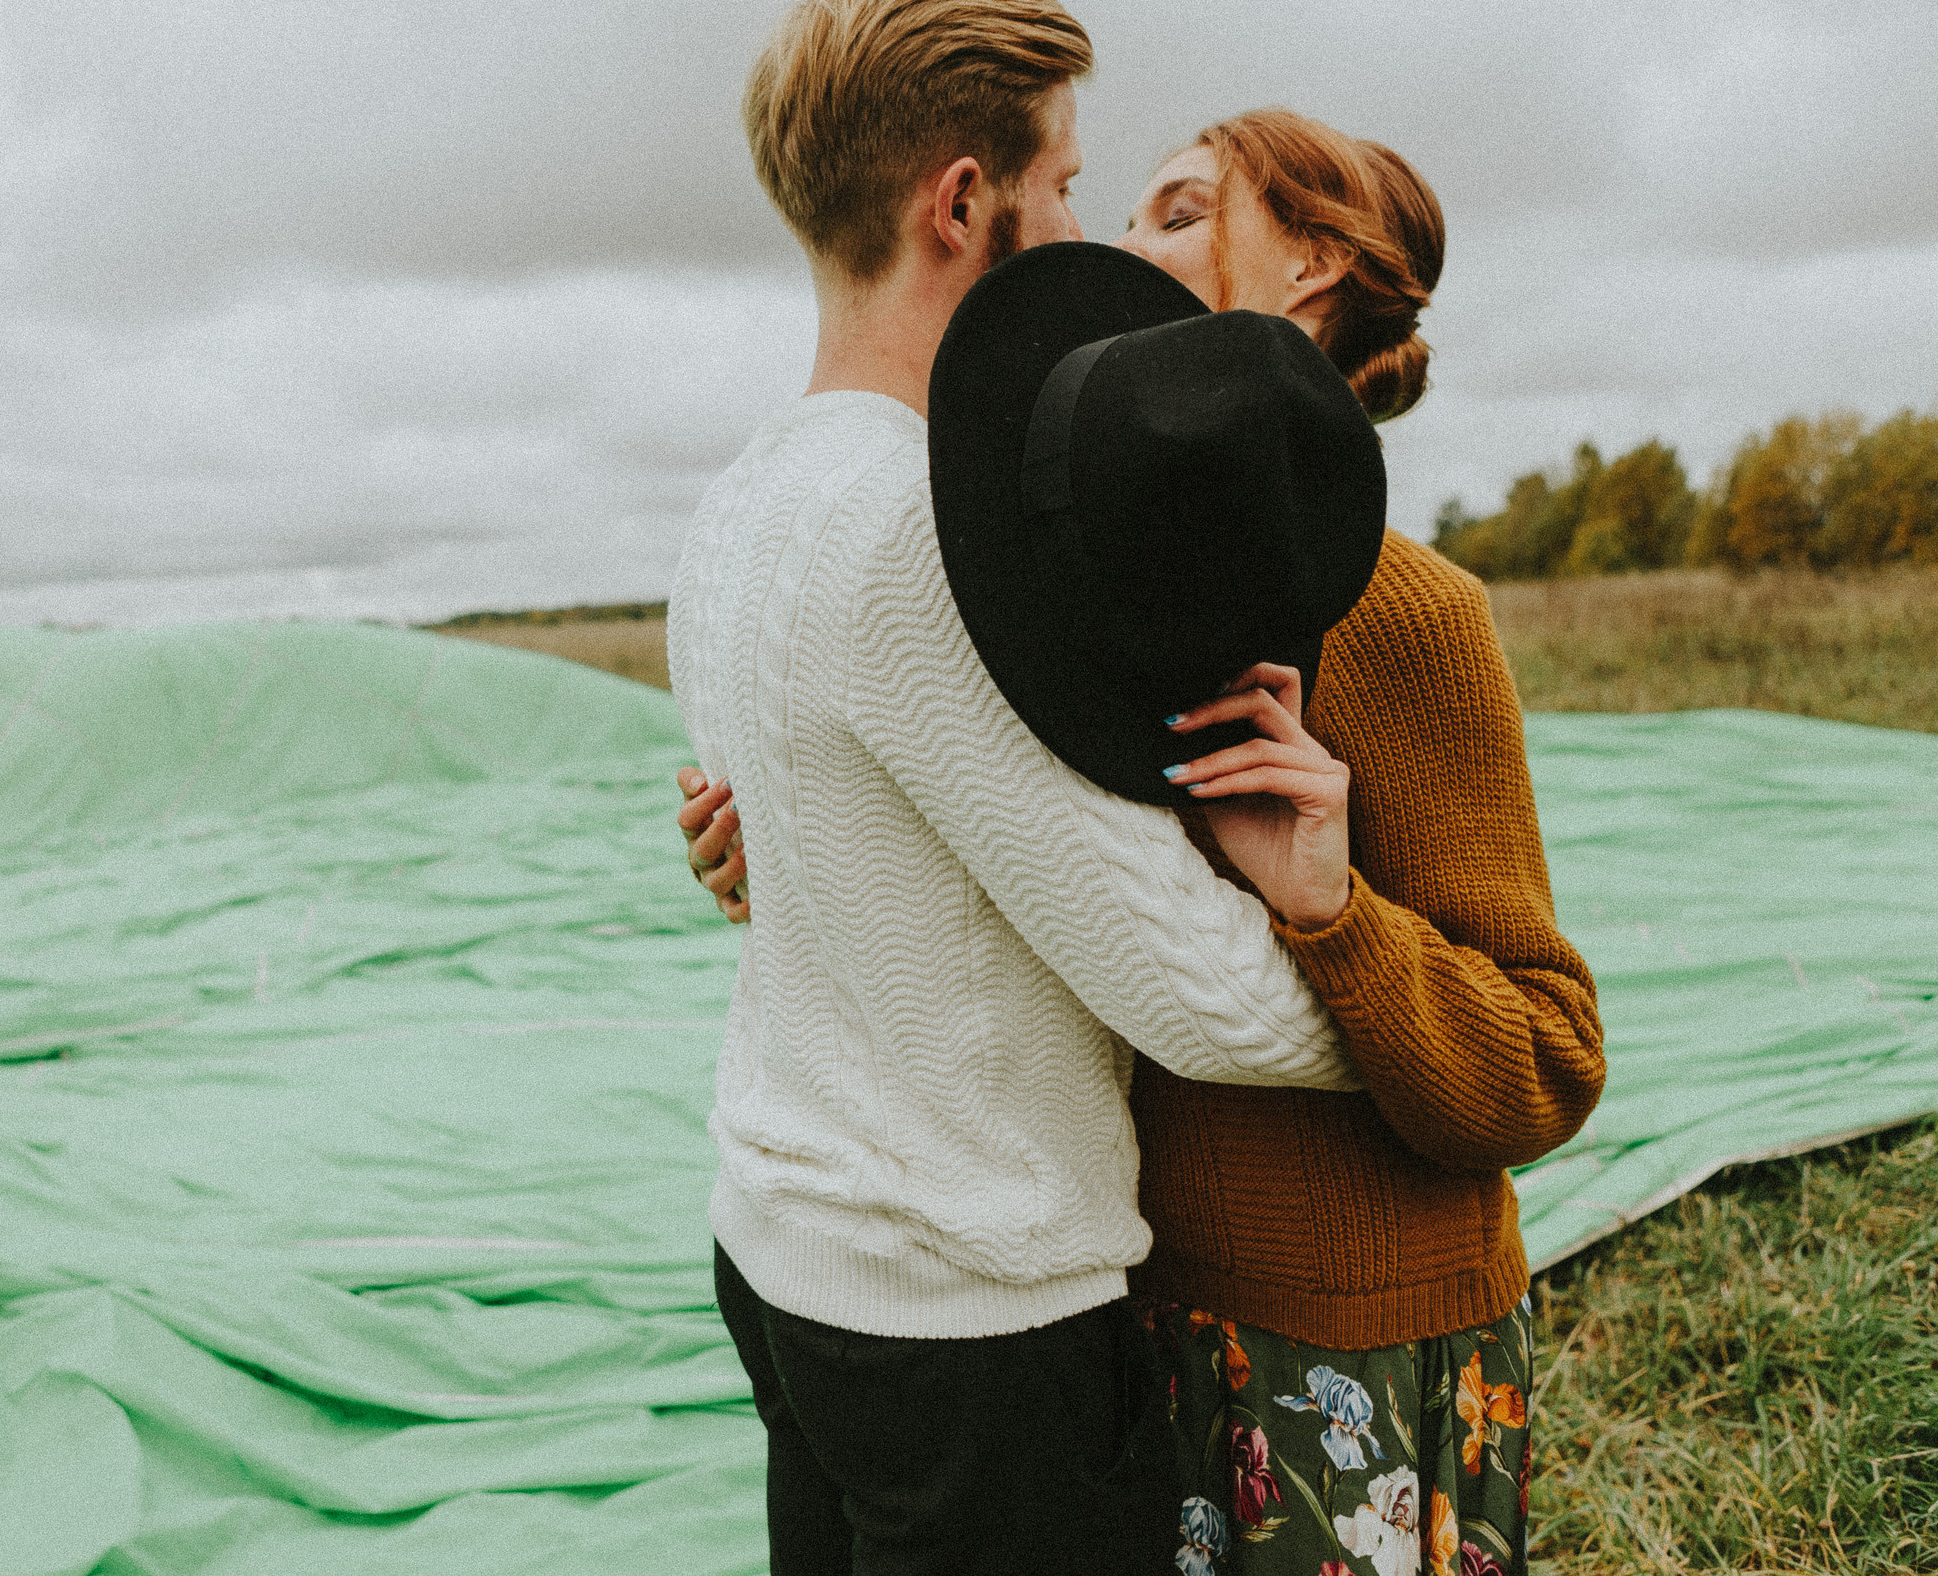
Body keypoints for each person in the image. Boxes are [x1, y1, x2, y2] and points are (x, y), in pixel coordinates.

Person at [680, 107, 1607, 1574]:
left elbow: (1546, 1060)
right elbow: (1040, 892)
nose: (1114, 244)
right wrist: (801, 844)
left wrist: (1335, 912)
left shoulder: (1414, 621)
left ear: (1308, 269)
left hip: (1341, 1351)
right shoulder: (1072, 586)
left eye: (1176, 213)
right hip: (1129, 1313)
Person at [668, 0, 1374, 1573]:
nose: (1090, 232)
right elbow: (1192, 994)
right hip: (964, 1321)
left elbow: (806, 843)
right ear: (964, 201)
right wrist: (1396, 1016)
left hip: (782, 1259)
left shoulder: (741, 500)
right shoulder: (929, 544)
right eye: (1064, 184)